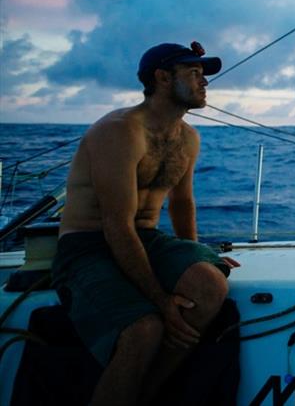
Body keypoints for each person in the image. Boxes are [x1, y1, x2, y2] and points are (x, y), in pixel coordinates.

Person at [52, 41, 240, 406]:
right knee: (144, 329)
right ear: (163, 77)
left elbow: (182, 203)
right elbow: (116, 225)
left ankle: (146, 394)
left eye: (204, 75)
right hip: (87, 247)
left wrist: (193, 253)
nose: (205, 83)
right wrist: (161, 299)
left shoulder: (188, 137)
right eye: (194, 73)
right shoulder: (120, 131)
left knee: (209, 285)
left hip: (146, 238)